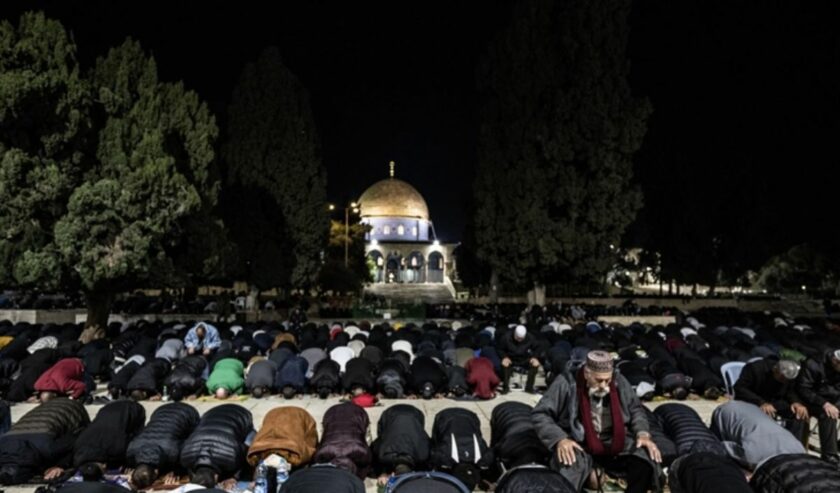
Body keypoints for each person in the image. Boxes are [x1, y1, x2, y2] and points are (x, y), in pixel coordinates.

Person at [531, 350, 660, 492]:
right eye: (599, 380)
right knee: (569, 468)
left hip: (614, 440)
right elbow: (540, 414)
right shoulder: (567, 382)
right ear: (587, 374)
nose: (604, 386)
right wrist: (560, 439)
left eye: (607, 380)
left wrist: (643, 434)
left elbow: (636, 409)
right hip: (579, 443)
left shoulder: (619, 381)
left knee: (646, 460)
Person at [0, 398, 90, 485]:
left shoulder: (48, 449)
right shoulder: (2, 443)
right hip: (45, 411)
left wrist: (61, 465)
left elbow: (79, 438)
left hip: (71, 408)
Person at [126, 402, 201, 490]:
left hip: (188, 413)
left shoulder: (173, 452)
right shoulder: (131, 450)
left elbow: (189, 455)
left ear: (156, 471)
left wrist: (177, 473)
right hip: (160, 411)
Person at [734, 359, 809, 443]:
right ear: (775, 370)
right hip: (752, 400)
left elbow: (790, 391)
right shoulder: (755, 368)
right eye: (782, 379)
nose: (784, 381)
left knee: (799, 414)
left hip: (773, 402)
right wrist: (761, 402)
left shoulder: (787, 378)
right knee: (765, 414)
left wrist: (796, 402)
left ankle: (793, 445)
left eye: (786, 380)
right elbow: (740, 388)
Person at [796, 348, 840, 463]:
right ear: (835, 361)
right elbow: (803, 388)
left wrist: (835, 404)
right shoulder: (813, 364)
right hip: (810, 400)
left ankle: (837, 445)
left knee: (831, 410)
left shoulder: (837, 368)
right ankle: (830, 455)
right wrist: (824, 403)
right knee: (828, 414)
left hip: (832, 401)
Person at [497, 325, 542, 394]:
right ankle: (505, 388)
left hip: (524, 358)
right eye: (518, 338)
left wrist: (535, 357)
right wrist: (504, 357)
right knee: (505, 365)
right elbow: (500, 349)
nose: (519, 340)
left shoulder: (530, 337)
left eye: (521, 338)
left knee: (535, 364)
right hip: (511, 358)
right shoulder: (506, 337)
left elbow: (538, 348)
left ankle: (529, 388)